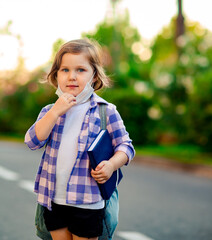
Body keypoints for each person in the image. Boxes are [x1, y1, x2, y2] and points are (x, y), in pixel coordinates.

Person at [25, 39, 135, 240]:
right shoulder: (50, 111)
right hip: (54, 199)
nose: (72, 76)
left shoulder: (106, 111)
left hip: (87, 200)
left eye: (81, 70)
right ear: (56, 75)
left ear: (94, 76)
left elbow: (126, 147)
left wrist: (111, 165)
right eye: (65, 70)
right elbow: (33, 141)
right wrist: (55, 112)